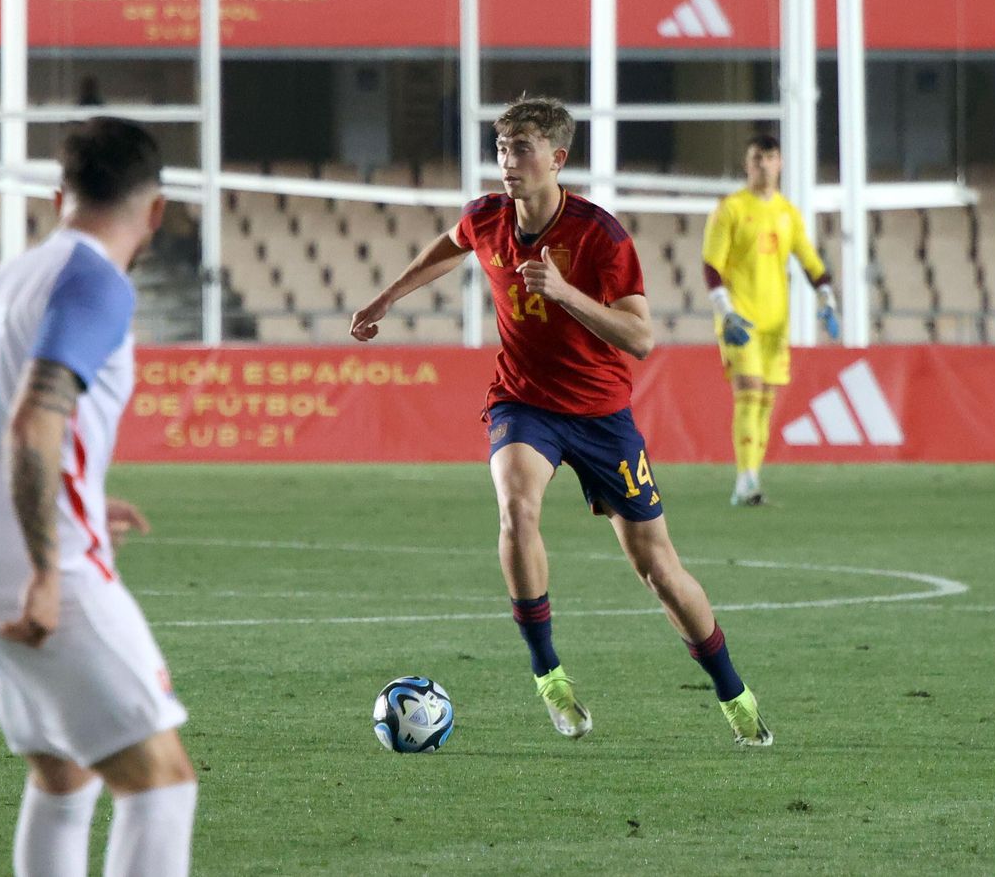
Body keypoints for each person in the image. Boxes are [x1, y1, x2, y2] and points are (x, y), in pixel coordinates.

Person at [349, 96, 773, 746]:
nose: (506, 161)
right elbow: (449, 244)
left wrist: (566, 293)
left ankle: (733, 693)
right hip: (523, 403)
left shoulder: (600, 237)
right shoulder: (485, 220)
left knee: (658, 568)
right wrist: (384, 298)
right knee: (516, 510)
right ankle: (549, 674)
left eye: (521, 149)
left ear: (557, 158)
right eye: (500, 148)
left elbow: (640, 338)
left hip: (603, 416)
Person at [0, 118, 196, 877]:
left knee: (63, 776)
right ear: (158, 209)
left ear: (56, 195)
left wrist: (75, 495)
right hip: (49, 575)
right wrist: (44, 563)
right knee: (160, 782)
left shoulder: (0, 288)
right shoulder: (95, 279)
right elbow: (36, 419)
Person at [701, 133, 835, 507]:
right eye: (756, 157)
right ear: (747, 164)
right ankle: (745, 479)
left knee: (764, 401)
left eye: (770, 157)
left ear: (780, 163)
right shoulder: (729, 209)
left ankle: (751, 479)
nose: (763, 164)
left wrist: (827, 295)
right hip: (739, 320)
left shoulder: (787, 213)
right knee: (748, 392)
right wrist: (725, 311)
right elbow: (711, 266)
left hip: (776, 322)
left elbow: (809, 259)